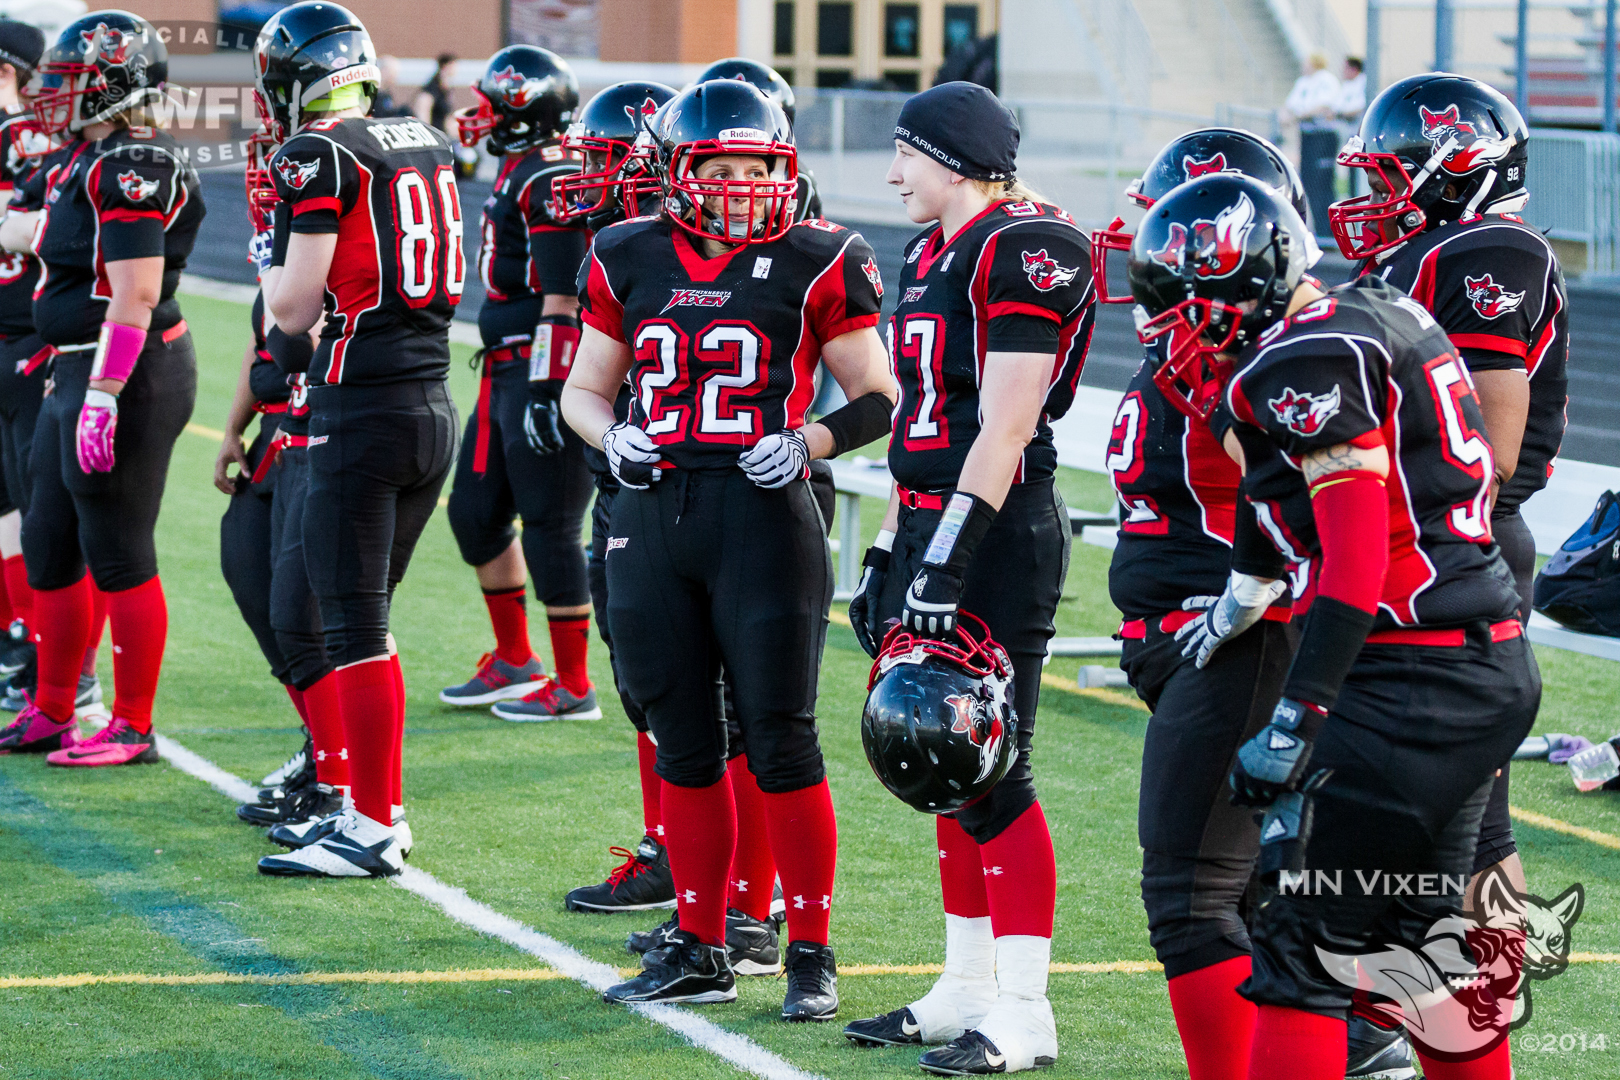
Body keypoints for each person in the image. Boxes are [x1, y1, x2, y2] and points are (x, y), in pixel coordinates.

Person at [1128, 174, 1535, 1080]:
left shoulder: (1304, 358)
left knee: (1297, 952)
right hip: (1482, 658)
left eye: (1183, 309)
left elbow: (1358, 553)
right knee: (1426, 944)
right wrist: (1241, 594)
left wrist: (1296, 717)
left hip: (1408, 673)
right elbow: (1295, 518)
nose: (1171, 335)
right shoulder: (1372, 308)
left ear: (1240, 284)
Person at [562, 78, 896, 1018]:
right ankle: (701, 943)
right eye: (723, 165)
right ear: (678, 169)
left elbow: (876, 393)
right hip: (654, 511)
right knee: (683, 739)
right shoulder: (624, 251)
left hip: (762, 511)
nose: (746, 183)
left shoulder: (821, 258)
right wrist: (607, 435)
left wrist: (808, 441)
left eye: (761, 166)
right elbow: (584, 390)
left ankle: (810, 952)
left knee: (782, 734)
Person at [1089, 128, 1365, 1080]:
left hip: (1246, 642)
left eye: (1173, 231)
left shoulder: (1267, 356)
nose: (1144, 243)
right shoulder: (1211, 344)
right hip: (1209, 637)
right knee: (1241, 896)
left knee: (1191, 892)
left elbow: (1305, 515)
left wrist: (1244, 600)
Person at [842, 81, 1093, 1075]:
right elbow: (925, 418)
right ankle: (965, 986)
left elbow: (1010, 419)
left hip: (992, 529)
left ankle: (1025, 1008)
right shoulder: (931, 249)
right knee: (938, 762)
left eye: (907, 155)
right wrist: (890, 550)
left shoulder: (1021, 243)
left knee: (996, 767)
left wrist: (945, 553)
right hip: (931, 520)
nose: (895, 174)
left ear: (951, 158)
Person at [1331, 74, 1567, 1069]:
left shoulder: (1484, 249)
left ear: (1455, 168)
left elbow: (1494, 450)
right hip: (1435, 548)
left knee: (1456, 833)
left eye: (1389, 173)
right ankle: (1440, 1025)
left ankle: (1440, 1022)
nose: (1370, 194)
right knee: (1467, 833)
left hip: (1453, 553)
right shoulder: (1428, 250)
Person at [253, 1, 461, 878]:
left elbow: (293, 309)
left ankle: (374, 823)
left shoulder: (317, 154)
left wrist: (271, 252)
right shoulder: (423, 141)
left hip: (358, 406)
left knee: (356, 626)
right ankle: (363, 810)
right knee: (363, 620)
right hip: (430, 399)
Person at [0, 12, 201, 766]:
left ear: (112, 86)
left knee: (119, 548)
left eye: (69, 79)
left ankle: (133, 723)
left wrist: (106, 389)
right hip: (75, 363)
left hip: (130, 368)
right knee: (51, 539)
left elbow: (137, 292)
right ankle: (55, 706)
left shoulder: (132, 162)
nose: (51, 90)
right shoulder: (80, 159)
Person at [437, 46, 597, 720]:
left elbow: (562, 296)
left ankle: (574, 685)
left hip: (541, 370)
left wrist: (546, 388)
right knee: (473, 513)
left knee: (551, 526)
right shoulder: (523, 167)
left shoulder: (550, 175)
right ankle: (512, 659)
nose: (482, 116)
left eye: (495, 104)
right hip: (501, 369)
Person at [0, 18, 46, 725]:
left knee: (37, 508)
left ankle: (43, 651)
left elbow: (55, 227)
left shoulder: (23, 137)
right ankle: (17, 638)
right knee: (5, 504)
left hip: (29, 335)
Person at [1284, 53, 1340, 124]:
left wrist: (1302, 115)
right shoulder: (1302, 81)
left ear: (1314, 63)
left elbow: (1325, 105)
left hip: (1319, 123)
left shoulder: (1327, 79)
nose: (1303, 65)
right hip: (1301, 121)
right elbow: (1290, 103)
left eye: (1306, 63)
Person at [415, 52, 457, 135]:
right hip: (434, 135)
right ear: (446, 66)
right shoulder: (432, 88)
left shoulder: (446, 90)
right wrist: (427, 134)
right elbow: (423, 111)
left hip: (443, 135)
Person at [1334, 57, 1366, 122]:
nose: (1343, 71)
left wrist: (1341, 114)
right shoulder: (1346, 84)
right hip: (1343, 121)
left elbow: (1362, 107)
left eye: (1345, 68)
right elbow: (1337, 106)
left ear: (1354, 69)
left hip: (1357, 121)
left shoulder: (1364, 82)